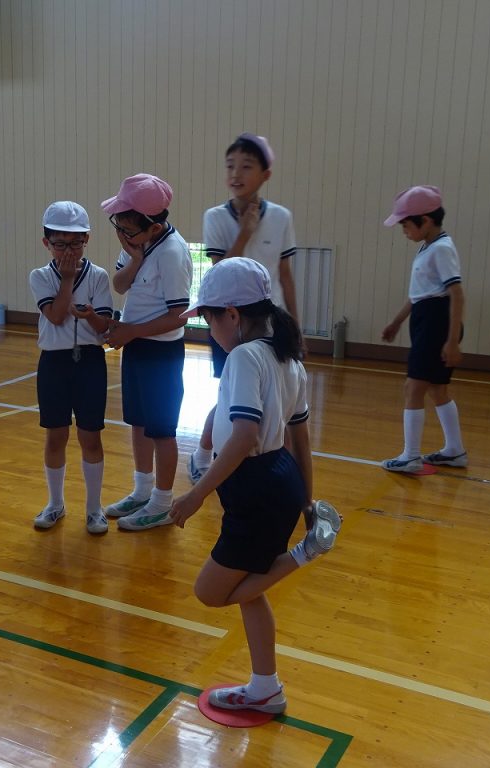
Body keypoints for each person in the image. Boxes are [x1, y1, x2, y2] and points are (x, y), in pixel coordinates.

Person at [169, 258, 340, 714]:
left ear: (232, 314)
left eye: (209, 320)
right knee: (250, 587)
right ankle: (266, 687)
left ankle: (305, 553)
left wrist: (196, 494)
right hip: (280, 480)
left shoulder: (244, 357)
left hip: (255, 492)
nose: (210, 332)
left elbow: (245, 436)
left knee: (210, 592)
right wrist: (306, 501)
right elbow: (299, 439)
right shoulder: (286, 357)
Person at [189, 134, 300, 485]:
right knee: (229, 396)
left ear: (266, 174)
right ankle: (203, 455)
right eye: (230, 166)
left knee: (276, 400)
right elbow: (220, 272)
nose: (236, 173)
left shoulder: (281, 217)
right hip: (230, 323)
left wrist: (296, 327)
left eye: (246, 166)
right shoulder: (215, 217)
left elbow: (286, 276)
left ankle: (272, 465)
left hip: (270, 324)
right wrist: (245, 233)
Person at [101, 174, 193, 531]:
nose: (121, 235)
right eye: (119, 226)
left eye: (127, 229)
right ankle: (142, 491)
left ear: (153, 227)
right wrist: (135, 259)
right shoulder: (135, 245)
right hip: (136, 345)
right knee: (138, 423)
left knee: (161, 430)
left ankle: (162, 502)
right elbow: (119, 284)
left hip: (161, 353)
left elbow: (178, 315)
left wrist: (131, 331)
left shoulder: (172, 253)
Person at [29, 202, 114, 534]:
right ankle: (55, 503)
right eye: (60, 244)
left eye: (76, 243)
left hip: (90, 362)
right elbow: (55, 315)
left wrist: (91, 315)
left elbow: (104, 325)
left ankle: (94, 508)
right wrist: (66, 280)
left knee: (90, 436)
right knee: (56, 436)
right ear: (46, 243)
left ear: (87, 239)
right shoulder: (40, 276)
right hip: (54, 363)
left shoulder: (99, 276)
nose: (68, 251)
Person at [380, 185, 468, 473]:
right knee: (437, 389)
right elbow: (420, 294)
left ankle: (411, 456)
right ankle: (454, 451)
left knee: (413, 387)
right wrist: (397, 321)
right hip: (427, 319)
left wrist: (452, 341)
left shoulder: (441, 249)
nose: (404, 231)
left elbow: (456, 294)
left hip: (435, 324)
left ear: (426, 221)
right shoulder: (429, 246)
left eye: (406, 225)